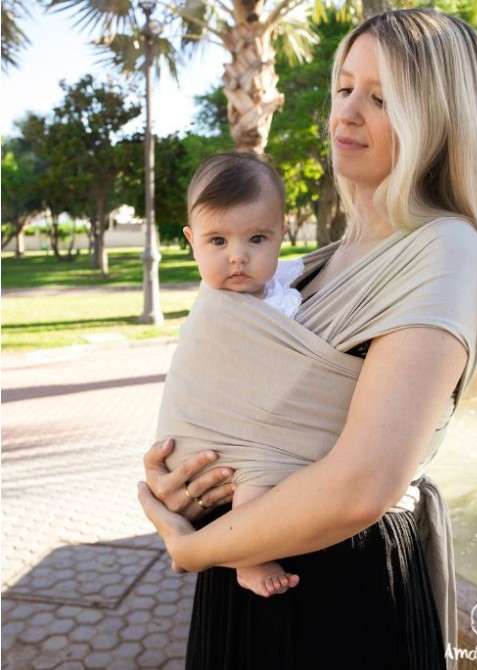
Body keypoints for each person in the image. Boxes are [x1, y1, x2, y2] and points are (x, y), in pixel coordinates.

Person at [138, 9, 477, 670]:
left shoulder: (446, 249)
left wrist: (191, 547)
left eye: (380, 98)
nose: (345, 114)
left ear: (436, 120)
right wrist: (180, 478)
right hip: (251, 566)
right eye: (343, 88)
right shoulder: (316, 264)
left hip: (335, 593)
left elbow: (362, 485)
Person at [157, 151, 307, 597]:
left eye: (257, 239)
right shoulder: (218, 309)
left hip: (251, 428)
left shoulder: (284, 289)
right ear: (192, 241)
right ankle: (249, 556)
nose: (238, 257)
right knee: (259, 471)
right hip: (212, 439)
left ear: (282, 234)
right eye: (218, 242)